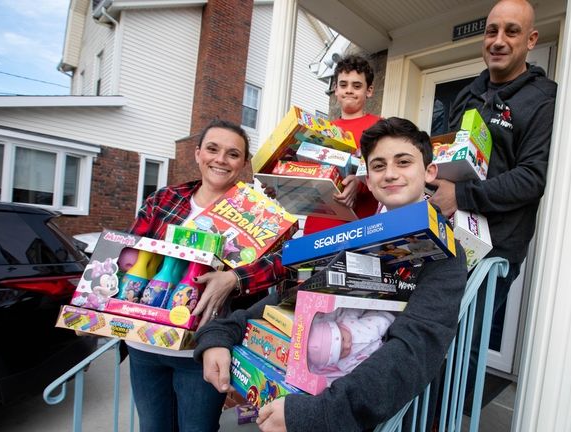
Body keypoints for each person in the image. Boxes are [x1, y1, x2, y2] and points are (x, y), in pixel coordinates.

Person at [195, 117, 468, 432]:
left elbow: (413, 351)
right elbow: (290, 299)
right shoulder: (355, 236)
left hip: (364, 416)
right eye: (378, 166)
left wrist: (316, 413)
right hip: (306, 390)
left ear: (429, 172)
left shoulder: (445, 254)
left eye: (403, 162)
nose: (390, 173)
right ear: (368, 175)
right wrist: (221, 334)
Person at [428, 0, 557, 409]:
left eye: (512, 32)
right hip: (448, 234)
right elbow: (452, 154)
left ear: (531, 40)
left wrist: (460, 195)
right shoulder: (469, 92)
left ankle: (440, 417)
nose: (498, 41)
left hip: (495, 248)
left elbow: (532, 178)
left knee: (462, 344)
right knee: (428, 330)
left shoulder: (542, 99)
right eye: (492, 31)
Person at [126, 119, 284, 432]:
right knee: (152, 427)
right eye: (212, 149)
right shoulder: (163, 200)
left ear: (244, 163)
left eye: (232, 154)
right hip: (144, 345)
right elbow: (129, 256)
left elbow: (284, 263)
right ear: (198, 154)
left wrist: (235, 278)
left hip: (202, 348)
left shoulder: (258, 213)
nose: (220, 159)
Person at [303, 54, 381, 235]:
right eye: (343, 85)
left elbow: (386, 168)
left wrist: (360, 181)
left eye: (357, 85)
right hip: (317, 225)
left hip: (358, 227)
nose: (349, 90)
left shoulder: (381, 126)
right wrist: (279, 186)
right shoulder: (321, 131)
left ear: (369, 91)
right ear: (335, 90)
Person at [307, 309, 396, 381]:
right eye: (341, 352)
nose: (347, 346)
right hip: (386, 350)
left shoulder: (345, 319)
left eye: (343, 339)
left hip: (385, 319)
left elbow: (356, 305)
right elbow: (359, 371)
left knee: (382, 321)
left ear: (339, 327)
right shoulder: (344, 364)